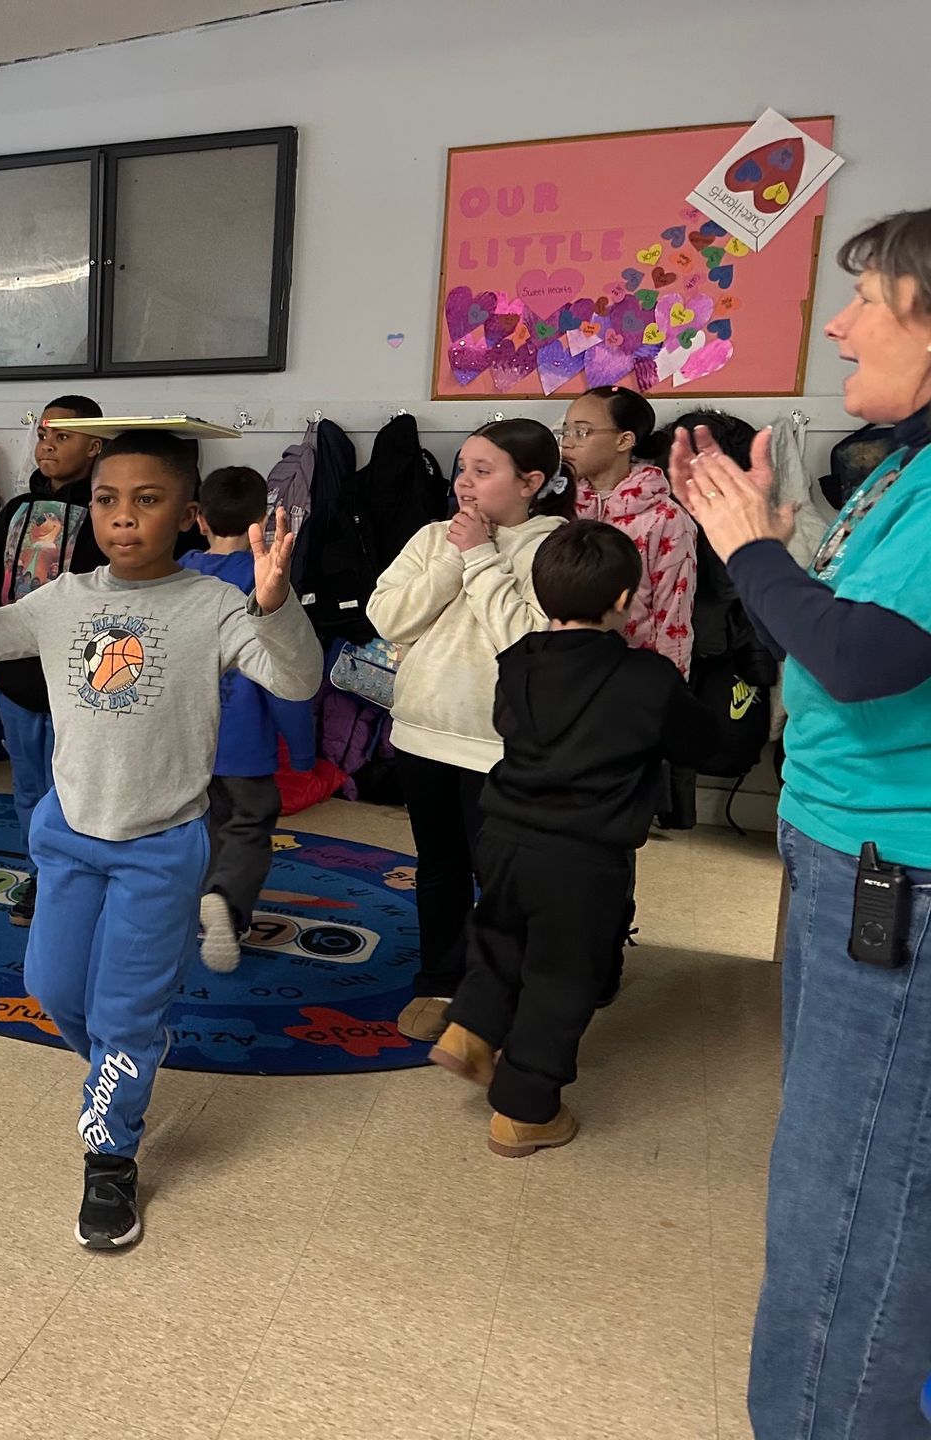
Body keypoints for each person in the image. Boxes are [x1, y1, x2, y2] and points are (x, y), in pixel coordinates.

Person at [0, 429, 323, 1251]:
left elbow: (297, 677)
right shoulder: (64, 597)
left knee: (123, 1013)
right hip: (68, 836)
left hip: (160, 848)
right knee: (55, 988)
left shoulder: (215, 606)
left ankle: (111, 1155)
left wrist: (277, 605)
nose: (123, 517)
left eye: (147, 500)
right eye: (107, 500)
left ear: (189, 514)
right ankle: (127, 1054)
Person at [666, 209, 931, 1438]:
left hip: (900, 883)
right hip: (853, 860)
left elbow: (864, 657)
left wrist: (746, 551)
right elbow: (836, 626)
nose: (839, 325)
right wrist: (768, 549)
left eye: (868, 298)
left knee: (850, 1210)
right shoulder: (899, 468)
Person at [429, 521, 721, 1155]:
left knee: (501, 934)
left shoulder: (517, 661)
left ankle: (471, 1027)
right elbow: (705, 746)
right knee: (562, 976)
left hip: (503, 835)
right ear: (621, 600)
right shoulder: (647, 678)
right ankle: (525, 1110)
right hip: (583, 857)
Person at [366, 419, 573, 1042]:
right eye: (463, 468)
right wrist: (453, 557)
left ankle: (504, 988)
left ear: (530, 483)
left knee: (505, 875)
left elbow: (527, 644)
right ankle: (440, 979)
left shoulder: (553, 547)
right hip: (421, 732)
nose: (465, 482)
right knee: (440, 865)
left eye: (484, 471)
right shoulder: (435, 537)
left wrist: (482, 556)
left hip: (499, 746)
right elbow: (388, 617)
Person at [181, 465, 315, 972]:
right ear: (263, 519)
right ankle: (226, 900)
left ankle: (196, 901)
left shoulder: (176, 575)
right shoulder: (267, 584)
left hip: (182, 736)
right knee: (248, 823)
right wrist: (302, 750)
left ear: (200, 519)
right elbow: (287, 676)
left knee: (200, 823)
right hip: (243, 740)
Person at [0, 396, 106, 925]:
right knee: (29, 787)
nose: (47, 445)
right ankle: (43, 876)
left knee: (73, 788)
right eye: (43, 435)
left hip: (80, 678)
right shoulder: (15, 511)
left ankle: (81, 877)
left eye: (63, 436)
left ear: (95, 446)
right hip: (16, 676)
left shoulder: (105, 512)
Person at [559, 386, 697, 675]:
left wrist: (669, 687)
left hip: (632, 674)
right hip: (567, 669)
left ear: (624, 440)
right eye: (565, 431)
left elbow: (674, 615)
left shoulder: (664, 518)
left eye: (581, 432)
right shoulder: (561, 507)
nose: (567, 443)